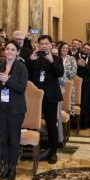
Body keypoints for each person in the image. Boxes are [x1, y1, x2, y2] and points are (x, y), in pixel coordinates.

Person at [0, 40, 28, 180]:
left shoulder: (21, 67)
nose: (9, 51)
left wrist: (8, 81)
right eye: (7, 49)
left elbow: (21, 88)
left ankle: (13, 168)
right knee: (4, 139)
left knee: (13, 139)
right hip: (0, 108)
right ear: (4, 51)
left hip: (16, 109)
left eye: (13, 49)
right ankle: (5, 166)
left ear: (17, 52)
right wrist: (2, 82)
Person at [29, 35, 64, 164]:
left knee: (51, 124)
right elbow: (27, 75)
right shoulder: (35, 58)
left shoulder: (56, 58)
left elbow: (60, 73)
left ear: (51, 45)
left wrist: (51, 61)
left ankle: (53, 152)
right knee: (33, 124)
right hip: (35, 97)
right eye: (41, 44)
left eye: (46, 43)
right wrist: (30, 61)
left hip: (50, 96)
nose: (44, 46)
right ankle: (34, 149)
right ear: (38, 45)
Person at [76, 43, 90, 128]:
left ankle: (86, 124)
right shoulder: (75, 57)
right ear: (82, 48)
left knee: (86, 103)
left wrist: (85, 65)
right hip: (76, 83)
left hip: (87, 84)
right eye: (85, 48)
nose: (86, 50)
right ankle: (75, 124)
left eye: (88, 49)